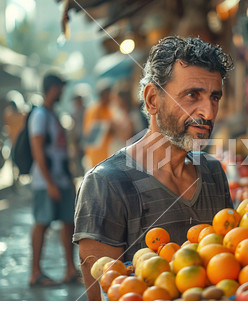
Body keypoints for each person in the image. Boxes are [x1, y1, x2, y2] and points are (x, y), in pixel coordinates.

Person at [73, 36, 234, 300]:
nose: (208, 111)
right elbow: (106, 296)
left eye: (214, 97)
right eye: (192, 95)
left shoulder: (214, 173)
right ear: (152, 100)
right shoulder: (106, 184)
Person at [28, 73, 78, 286]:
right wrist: (49, 183)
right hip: (45, 181)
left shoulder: (52, 115)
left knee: (69, 222)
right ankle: (35, 273)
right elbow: (37, 149)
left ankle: (70, 269)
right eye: (60, 88)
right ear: (53, 88)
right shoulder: (39, 115)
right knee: (42, 223)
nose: (62, 92)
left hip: (61, 179)